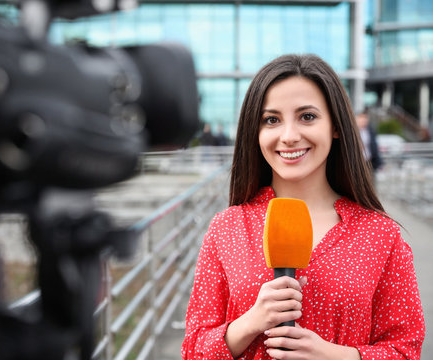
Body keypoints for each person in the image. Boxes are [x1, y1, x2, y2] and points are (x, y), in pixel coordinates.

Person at [181, 54, 424, 360]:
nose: (289, 136)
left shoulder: (381, 235)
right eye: (272, 120)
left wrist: (334, 355)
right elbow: (192, 350)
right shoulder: (227, 228)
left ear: (335, 125)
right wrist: (249, 324)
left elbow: (405, 349)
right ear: (255, 132)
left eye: (307, 116)